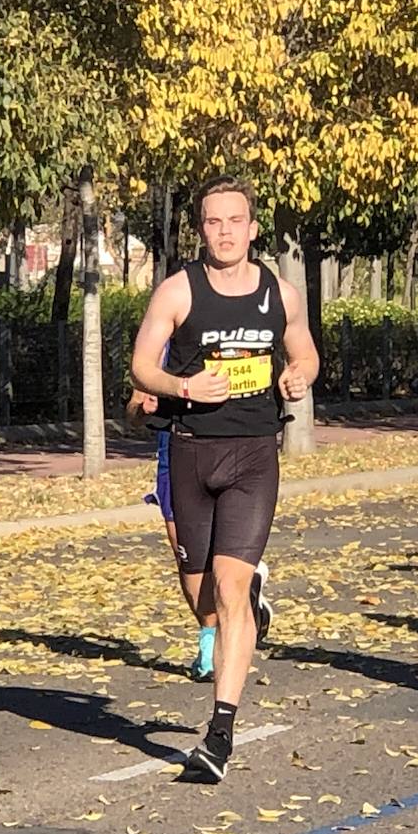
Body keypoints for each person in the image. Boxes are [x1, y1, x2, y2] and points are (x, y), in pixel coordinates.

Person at [130, 175, 319, 782]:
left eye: (235, 221)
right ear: (202, 229)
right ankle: (239, 606)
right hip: (190, 452)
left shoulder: (280, 294)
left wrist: (300, 375)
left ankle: (219, 732)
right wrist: (184, 387)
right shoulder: (177, 291)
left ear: (252, 227)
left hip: (254, 455)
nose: (224, 232)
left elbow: (306, 351)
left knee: (230, 591)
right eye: (213, 222)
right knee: (199, 594)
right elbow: (139, 366)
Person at [126, 389, 272, 680]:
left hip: (236, 452)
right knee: (191, 564)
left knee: (224, 569)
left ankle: (214, 644)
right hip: (179, 456)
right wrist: (143, 408)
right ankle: (212, 631)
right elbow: (133, 410)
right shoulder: (159, 348)